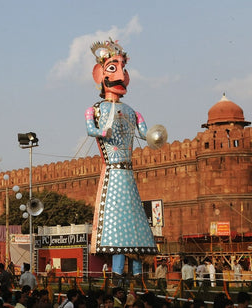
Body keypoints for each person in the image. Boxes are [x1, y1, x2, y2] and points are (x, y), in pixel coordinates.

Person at [85, 38, 159, 278]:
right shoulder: (95, 109)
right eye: (112, 68)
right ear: (100, 74)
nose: (120, 76)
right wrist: (101, 131)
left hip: (128, 173)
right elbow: (91, 129)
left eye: (123, 69)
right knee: (116, 227)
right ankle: (118, 279)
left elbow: (145, 134)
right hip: (114, 172)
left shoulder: (132, 112)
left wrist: (156, 136)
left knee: (134, 226)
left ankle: (137, 278)